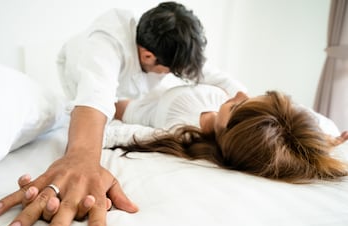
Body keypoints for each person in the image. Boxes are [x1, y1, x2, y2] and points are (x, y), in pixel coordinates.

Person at [0, 2, 247, 226]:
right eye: (168, 71)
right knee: (100, 108)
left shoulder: (166, 48)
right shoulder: (105, 43)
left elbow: (211, 75)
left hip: (131, 95)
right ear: (147, 55)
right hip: (80, 80)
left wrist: (250, 108)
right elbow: (95, 96)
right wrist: (80, 159)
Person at [112, 85, 348, 183]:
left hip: (146, 103)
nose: (239, 93)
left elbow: (119, 116)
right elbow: (291, 130)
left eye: (236, 106)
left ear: (227, 135)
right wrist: (319, 143)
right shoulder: (262, 125)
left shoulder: (175, 125)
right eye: (249, 99)